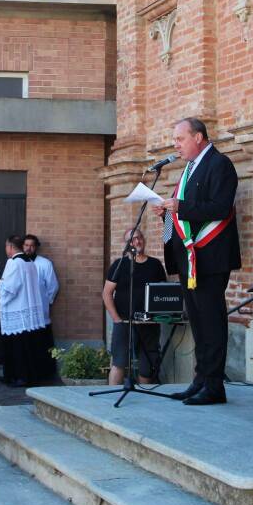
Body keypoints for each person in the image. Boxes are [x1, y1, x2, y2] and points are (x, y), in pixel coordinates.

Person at [153, 117, 241, 406]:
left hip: (211, 258)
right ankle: (200, 380)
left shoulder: (220, 164)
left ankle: (215, 386)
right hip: (190, 260)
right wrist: (167, 213)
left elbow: (220, 207)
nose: (175, 145)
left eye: (180, 139)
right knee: (198, 323)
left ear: (199, 137)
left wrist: (181, 206)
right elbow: (185, 213)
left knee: (212, 322)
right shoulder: (189, 169)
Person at [102, 228, 167, 385]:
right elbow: (106, 293)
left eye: (139, 238)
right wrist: (116, 319)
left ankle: (143, 402)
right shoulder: (119, 265)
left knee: (147, 365)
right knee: (119, 362)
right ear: (127, 245)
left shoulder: (155, 264)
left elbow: (163, 293)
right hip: (124, 322)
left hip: (149, 323)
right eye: (132, 240)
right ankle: (112, 399)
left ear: (143, 239)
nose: (136, 242)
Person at [0, 235, 56, 386]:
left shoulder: (14, 263)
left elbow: (10, 288)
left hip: (16, 309)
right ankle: (27, 376)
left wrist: (0, 285)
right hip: (28, 311)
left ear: (10, 247)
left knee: (17, 347)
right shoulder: (30, 262)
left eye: (6, 247)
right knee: (26, 346)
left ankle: (19, 377)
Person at [23, 233, 58, 372]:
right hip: (23, 314)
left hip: (40, 313)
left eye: (32, 245)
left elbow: (53, 286)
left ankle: (43, 373)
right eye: (26, 245)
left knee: (40, 345)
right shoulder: (17, 264)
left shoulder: (44, 264)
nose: (28, 248)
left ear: (36, 247)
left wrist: (46, 302)